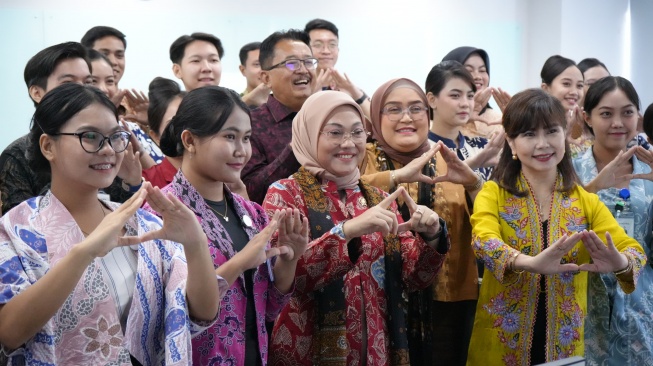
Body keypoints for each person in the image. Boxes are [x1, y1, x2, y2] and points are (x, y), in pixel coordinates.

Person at [0, 83, 224, 365]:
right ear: (48, 146)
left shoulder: (142, 223)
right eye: (90, 136)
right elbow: (10, 333)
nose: (108, 150)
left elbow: (201, 314)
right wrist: (84, 253)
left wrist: (195, 242)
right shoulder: (17, 228)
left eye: (116, 137)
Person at [265, 91, 449, 365]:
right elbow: (288, 280)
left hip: (377, 347)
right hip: (308, 348)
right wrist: (347, 231)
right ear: (309, 133)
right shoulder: (285, 194)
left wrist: (431, 234)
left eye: (357, 133)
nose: (348, 144)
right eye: (335, 133)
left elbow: (412, 278)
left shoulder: (376, 197)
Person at [467, 88, 645, 366]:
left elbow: (633, 251)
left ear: (564, 134)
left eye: (551, 131)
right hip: (500, 341)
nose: (542, 144)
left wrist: (619, 261)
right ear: (511, 144)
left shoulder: (585, 201)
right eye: (528, 134)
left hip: (565, 345)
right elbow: (483, 241)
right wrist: (529, 263)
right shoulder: (494, 193)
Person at [146, 85, 307, 365]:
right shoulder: (160, 214)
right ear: (189, 140)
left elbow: (267, 309)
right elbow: (166, 317)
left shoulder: (252, 213)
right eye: (229, 136)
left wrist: (289, 260)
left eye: (246, 138)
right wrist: (239, 263)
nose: (241, 150)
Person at [360, 77, 484, 365]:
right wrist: (395, 178)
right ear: (376, 117)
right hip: (377, 303)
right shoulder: (360, 157)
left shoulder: (448, 160)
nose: (407, 118)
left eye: (416, 108)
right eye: (393, 109)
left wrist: (475, 184)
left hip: (445, 303)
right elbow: (341, 192)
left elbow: (487, 222)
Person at [0, 42, 139, 214]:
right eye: (68, 83)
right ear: (37, 93)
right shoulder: (17, 155)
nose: (81, 91)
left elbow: (125, 210)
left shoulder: (109, 145)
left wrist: (132, 183)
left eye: (88, 82)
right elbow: (18, 224)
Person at [572, 76, 653, 365]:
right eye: (606, 114)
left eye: (627, 112)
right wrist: (591, 188)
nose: (618, 122)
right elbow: (557, 226)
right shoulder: (569, 170)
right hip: (582, 296)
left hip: (642, 300)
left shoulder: (650, 169)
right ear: (587, 118)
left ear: (638, 117)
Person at [241, 29, 317, 204]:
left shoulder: (329, 117)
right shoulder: (250, 125)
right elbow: (251, 192)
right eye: (292, 63)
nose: (303, 70)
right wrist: (295, 149)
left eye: (308, 62)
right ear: (266, 78)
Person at [426, 61, 503, 182]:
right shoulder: (420, 150)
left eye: (470, 96)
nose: (465, 104)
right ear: (432, 100)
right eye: (455, 96)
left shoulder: (484, 147)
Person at [86, 48, 161, 170]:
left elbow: (162, 175)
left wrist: (154, 121)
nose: (104, 89)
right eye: (93, 81)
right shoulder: (77, 133)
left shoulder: (129, 128)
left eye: (110, 81)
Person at [304, 18, 371, 119]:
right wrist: (312, 96)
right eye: (318, 45)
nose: (326, 51)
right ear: (305, 49)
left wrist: (355, 93)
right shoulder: (300, 88)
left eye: (332, 45)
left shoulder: (348, 89)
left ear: (338, 49)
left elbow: (378, 124)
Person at [442, 46, 511, 138]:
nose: (478, 76)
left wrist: (516, 123)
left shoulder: (497, 120)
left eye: (482, 70)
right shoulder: (436, 121)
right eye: (469, 70)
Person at [540, 55, 589, 159]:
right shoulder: (535, 124)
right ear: (545, 88)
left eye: (580, 86)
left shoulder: (586, 122)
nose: (574, 92)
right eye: (566, 84)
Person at [142, 77, 185, 188]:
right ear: (156, 136)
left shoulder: (217, 174)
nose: (185, 131)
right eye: (173, 123)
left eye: (191, 120)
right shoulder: (146, 183)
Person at [239, 41, 271, 109]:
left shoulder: (284, 103)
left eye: (267, 63)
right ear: (243, 70)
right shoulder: (233, 103)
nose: (263, 70)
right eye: (257, 64)